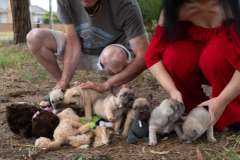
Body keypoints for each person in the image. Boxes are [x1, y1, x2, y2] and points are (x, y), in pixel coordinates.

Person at [145, 0, 240, 131]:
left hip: (229, 67)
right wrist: (173, 90)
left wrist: (222, 100)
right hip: (201, 60)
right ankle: (193, 108)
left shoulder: (233, 6)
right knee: (174, 56)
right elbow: (152, 56)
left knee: (214, 56)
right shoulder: (175, 7)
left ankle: (232, 112)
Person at [26, 0, 148, 93]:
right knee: (34, 37)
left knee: (114, 57)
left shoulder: (125, 4)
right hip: (79, 50)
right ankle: (63, 88)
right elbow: (72, 42)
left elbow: (143, 56)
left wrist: (107, 84)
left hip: (110, 57)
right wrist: (64, 81)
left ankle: (115, 86)